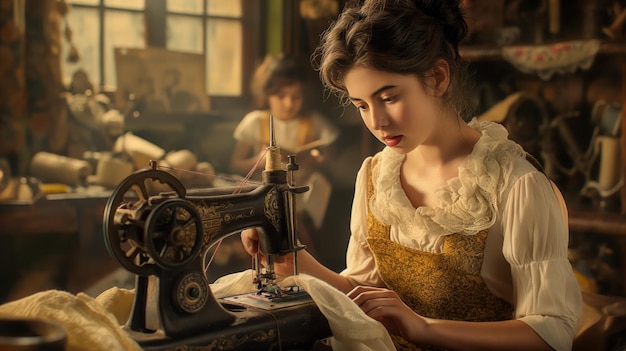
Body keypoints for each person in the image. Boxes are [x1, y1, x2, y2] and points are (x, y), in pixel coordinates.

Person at [241, 1, 582, 350]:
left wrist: (425, 329)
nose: (376, 121)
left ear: (437, 78)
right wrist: (293, 262)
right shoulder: (376, 176)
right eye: (361, 105)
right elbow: (366, 296)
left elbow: (551, 333)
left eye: (388, 97)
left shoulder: (515, 186)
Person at [231, 54, 340, 253]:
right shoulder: (256, 121)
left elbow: (329, 156)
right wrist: (259, 160)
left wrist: (317, 159)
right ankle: (303, 251)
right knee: (282, 207)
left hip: (302, 185)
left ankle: (306, 251)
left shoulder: (312, 121)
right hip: (266, 187)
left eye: (296, 97)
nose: (289, 104)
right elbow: (235, 164)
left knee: (317, 186)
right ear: (267, 95)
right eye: (281, 96)